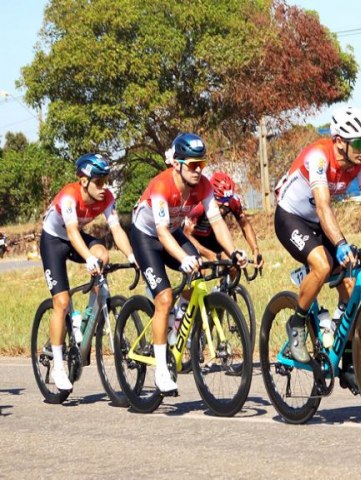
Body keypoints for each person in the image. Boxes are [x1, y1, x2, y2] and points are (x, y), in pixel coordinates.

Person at [274, 105, 361, 392]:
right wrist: (338, 244)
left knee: (351, 287)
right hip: (291, 218)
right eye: (359, 143)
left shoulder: (360, 162)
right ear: (339, 141)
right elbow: (323, 205)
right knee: (323, 265)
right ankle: (296, 326)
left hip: (318, 222)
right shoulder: (319, 157)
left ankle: (348, 365)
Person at [130, 133, 247, 394]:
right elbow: (161, 233)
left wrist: (233, 251)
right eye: (193, 165)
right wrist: (183, 258)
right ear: (178, 164)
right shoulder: (162, 187)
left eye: (202, 165)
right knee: (163, 298)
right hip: (147, 236)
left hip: (172, 232)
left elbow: (217, 223)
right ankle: (161, 370)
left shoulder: (203, 186)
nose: (198, 171)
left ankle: (176, 325)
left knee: (197, 278)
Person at [40, 153, 135, 391]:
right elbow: (72, 233)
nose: (105, 187)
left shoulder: (106, 197)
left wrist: (132, 256)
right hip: (53, 240)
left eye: (107, 180)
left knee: (103, 254)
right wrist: (87, 258)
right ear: (84, 181)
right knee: (61, 302)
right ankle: (60, 366)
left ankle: (86, 316)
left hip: (74, 237)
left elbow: (117, 230)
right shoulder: (70, 196)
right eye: (100, 182)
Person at [184, 171, 264, 269]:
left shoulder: (232, 200)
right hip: (193, 238)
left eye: (228, 200)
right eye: (221, 201)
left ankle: (225, 284)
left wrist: (255, 250)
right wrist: (208, 254)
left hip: (212, 235)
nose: (226, 205)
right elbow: (186, 235)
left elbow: (245, 224)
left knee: (233, 266)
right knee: (198, 270)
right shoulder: (199, 205)